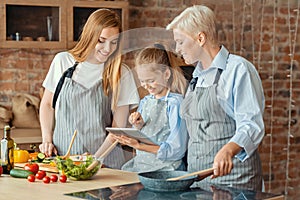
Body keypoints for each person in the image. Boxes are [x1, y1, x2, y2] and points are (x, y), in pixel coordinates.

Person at [166, 5, 265, 191]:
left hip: (234, 182)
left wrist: (228, 150)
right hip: (199, 181)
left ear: (200, 38)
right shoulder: (197, 77)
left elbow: (252, 124)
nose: (177, 49)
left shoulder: (237, 69)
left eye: (180, 42)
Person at [39, 9, 139, 169]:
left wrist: (95, 160)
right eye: (101, 40)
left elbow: (118, 128)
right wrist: (46, 140)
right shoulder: (63, 62)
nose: (107, 48)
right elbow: (47, 105)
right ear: (89, 35)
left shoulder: (121, 72)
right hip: (65, 159)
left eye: (114, 42)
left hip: (107, 163)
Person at [112, 43, 188, 173]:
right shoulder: (145, 101)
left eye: (151, 80)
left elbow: (176, 150)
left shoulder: (175, 104)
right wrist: (138, 125)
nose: (146, 86)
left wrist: (140, 146)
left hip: (166, 170)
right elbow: (145, 133)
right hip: (142, 166)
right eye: (142, 81)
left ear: (166, 74)